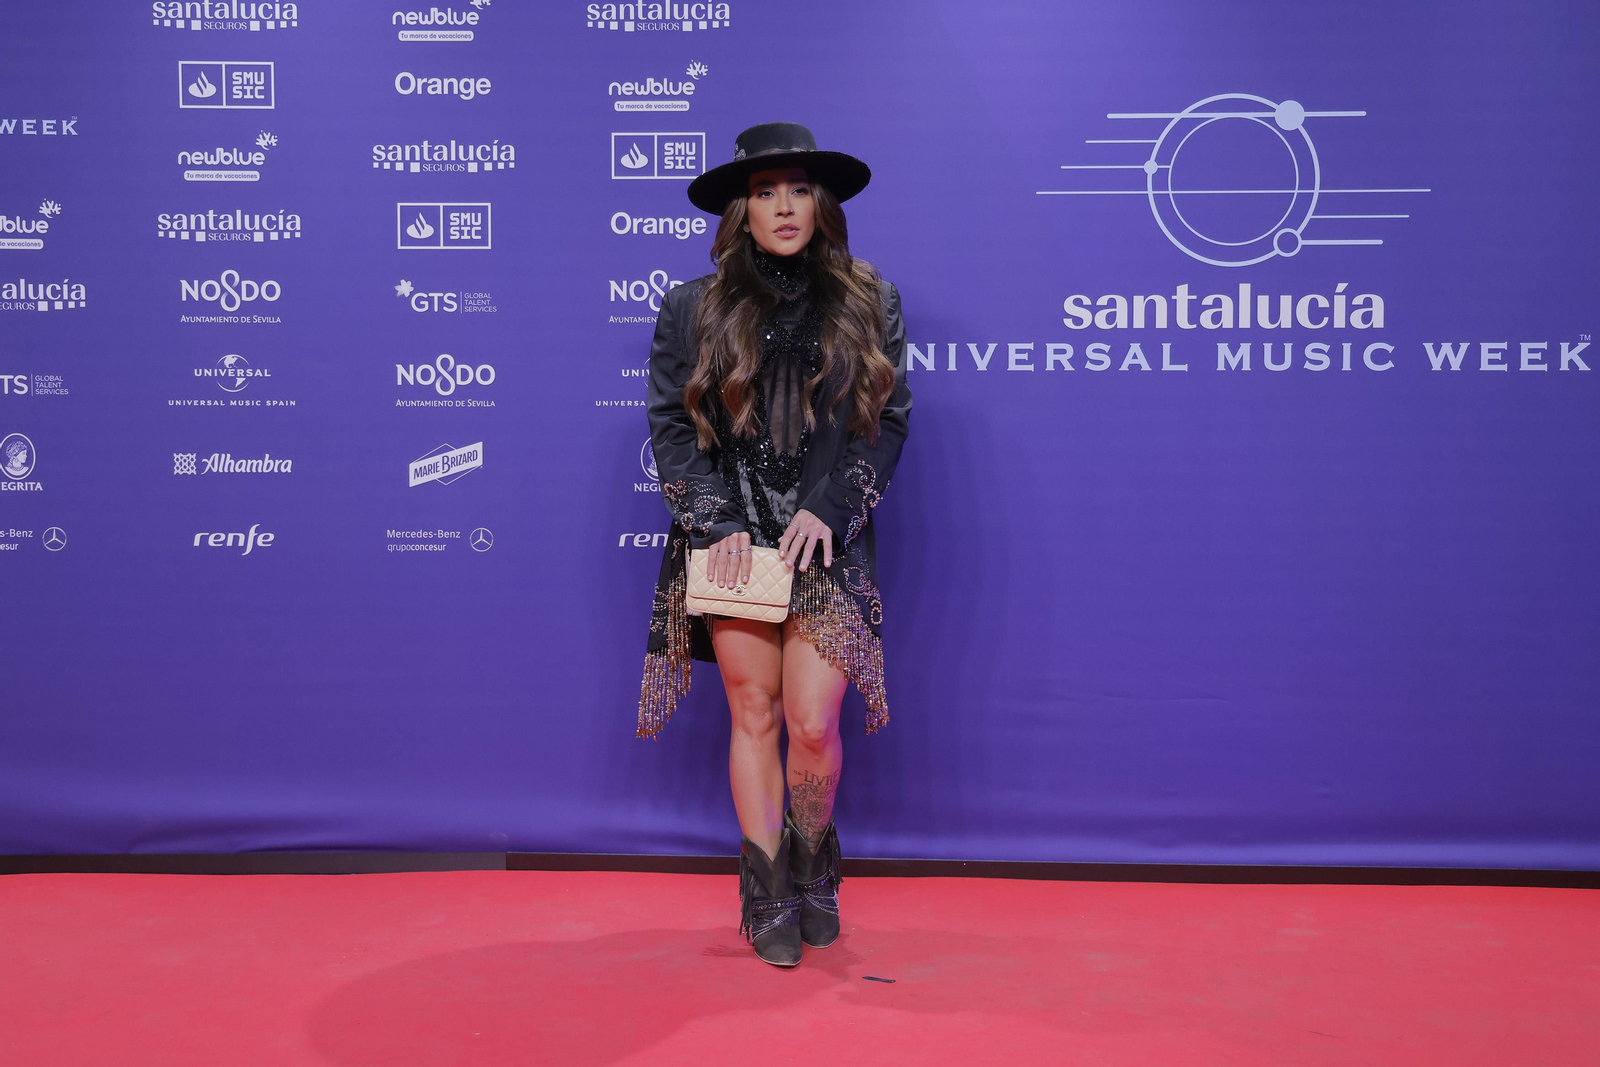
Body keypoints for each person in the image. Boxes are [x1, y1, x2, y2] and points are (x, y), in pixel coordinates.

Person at [637, 122, 912, 967]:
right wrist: (714, 523)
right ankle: (765, 889)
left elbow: (886, 422)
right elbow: (671, 433)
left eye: (797, 188)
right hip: (732, 543)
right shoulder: (694, 305)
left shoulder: (869, 296)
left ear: (819, 202)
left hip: (825, 543)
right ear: (740, 209)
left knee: (813, 724)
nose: (783, 206)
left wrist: (834, 507)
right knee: (753, 713)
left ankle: (812, 861)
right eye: (764, 192)